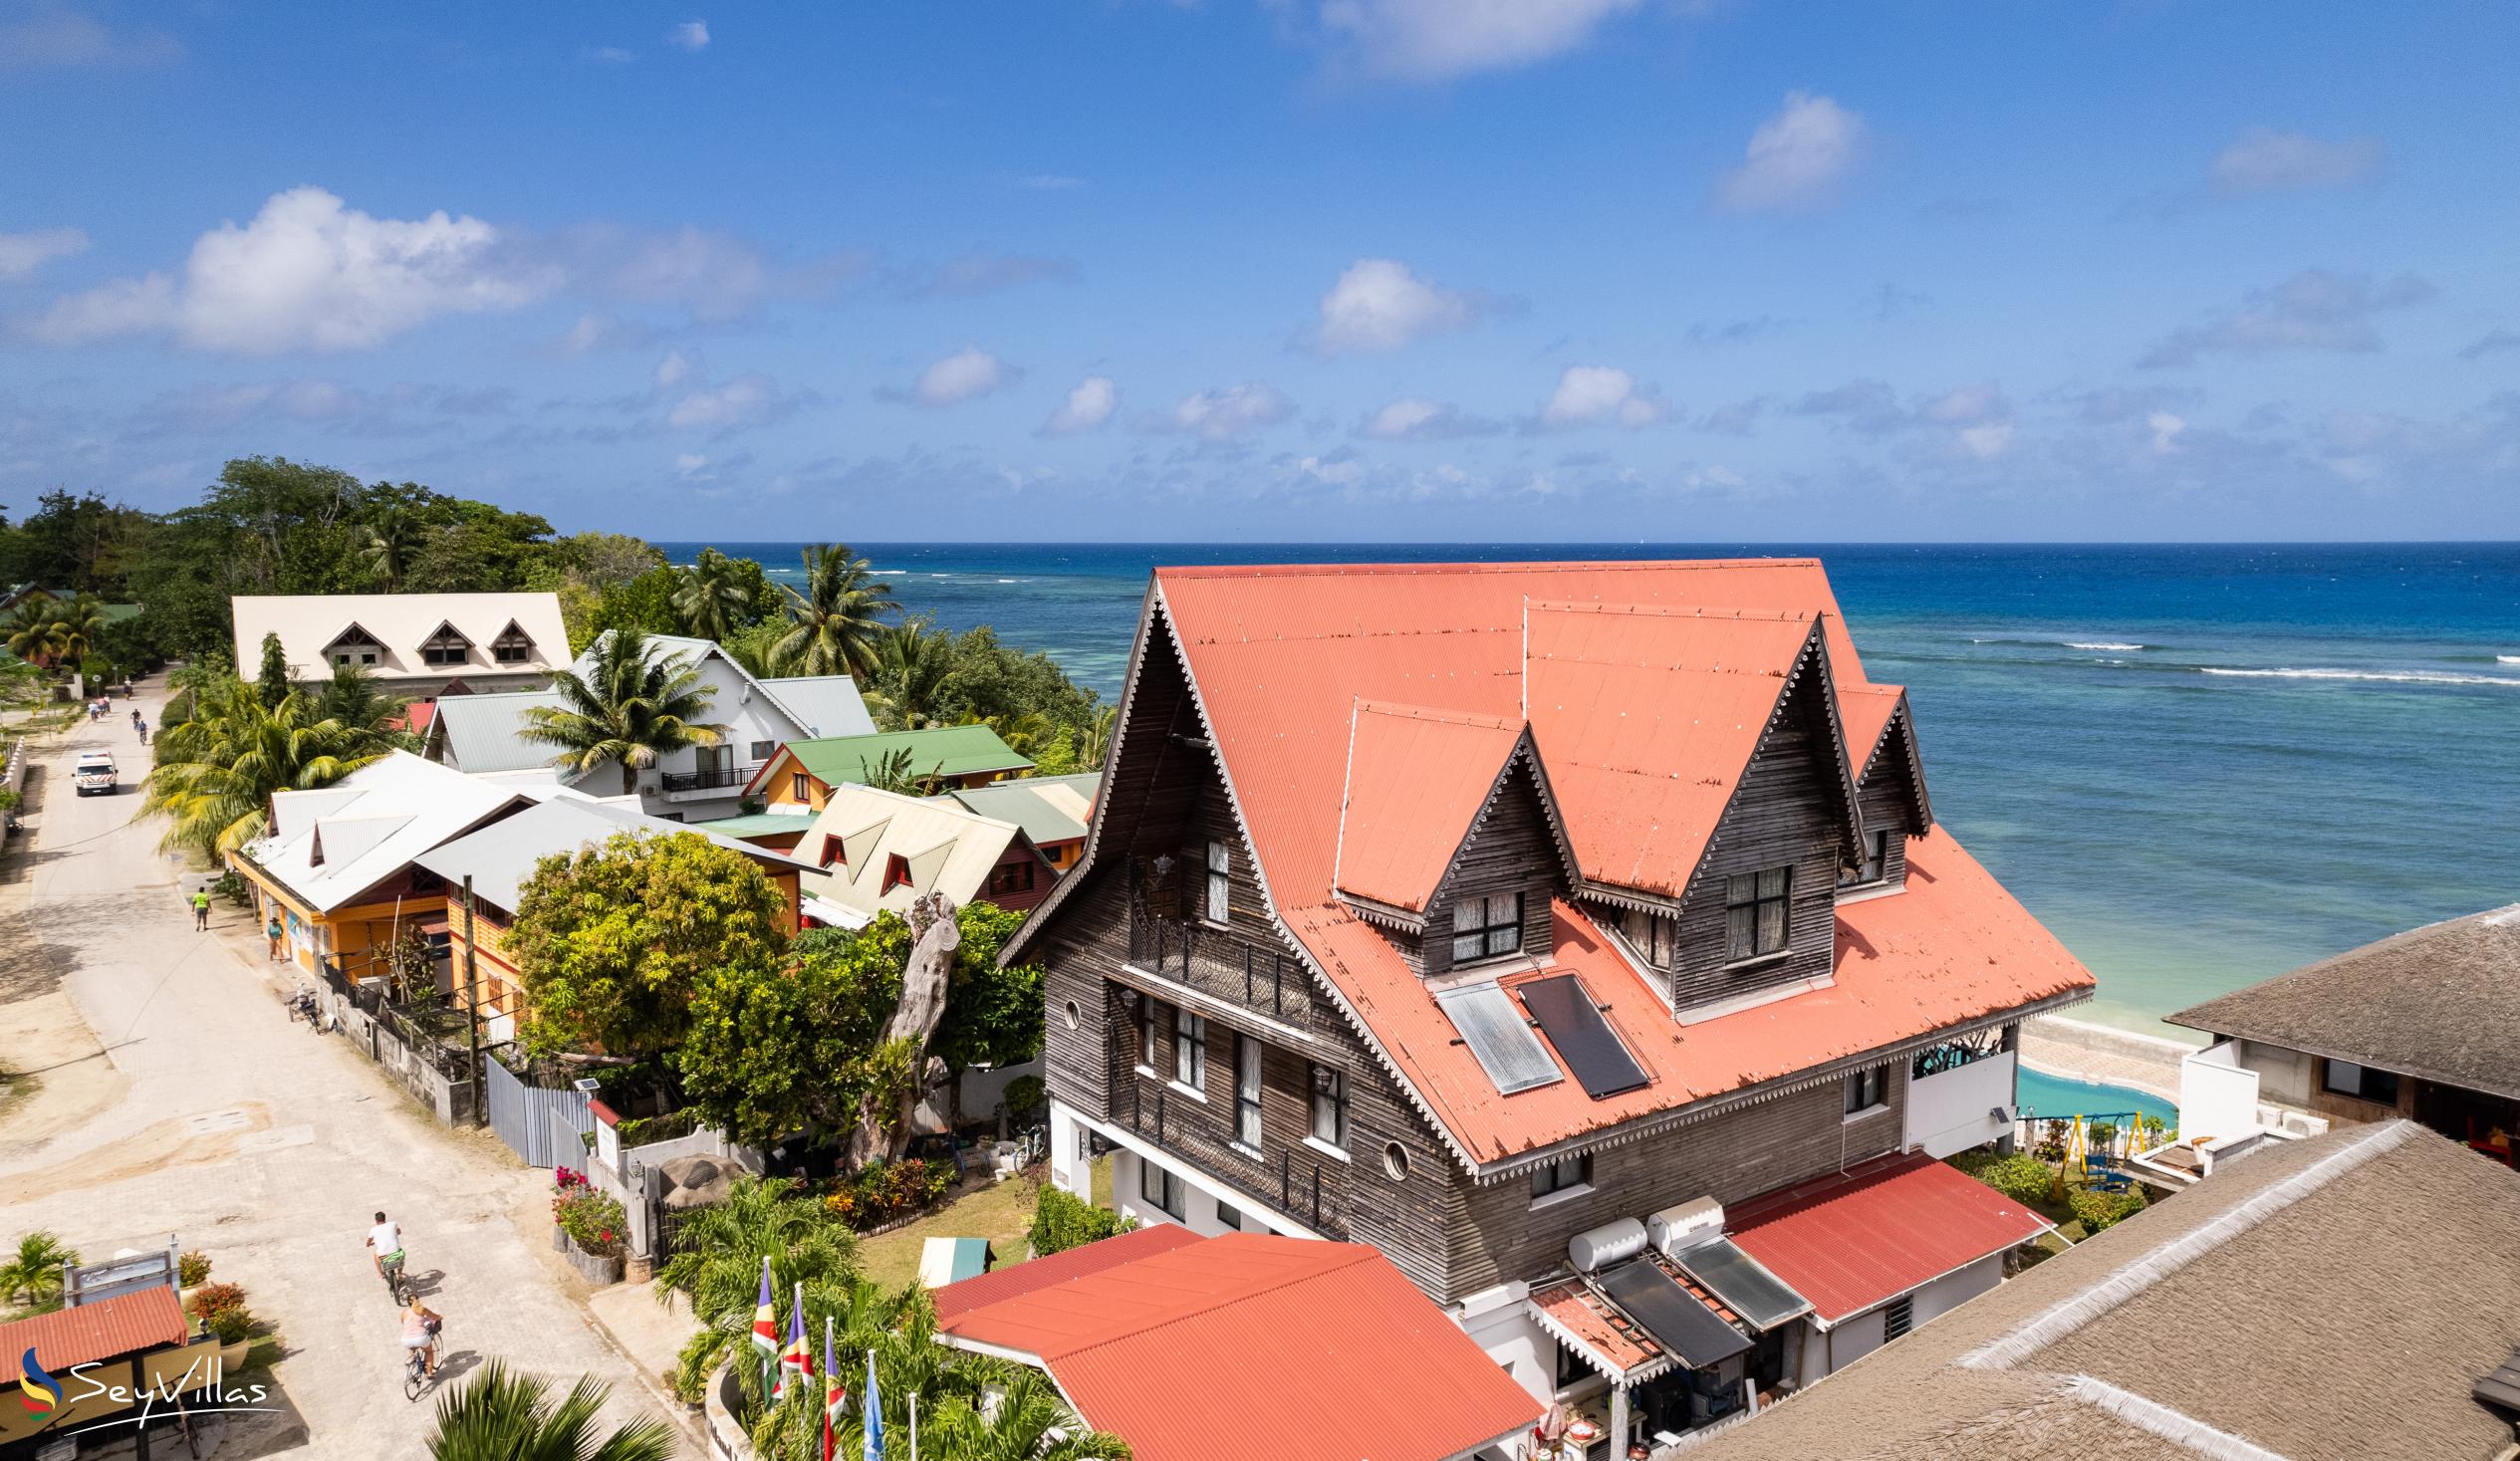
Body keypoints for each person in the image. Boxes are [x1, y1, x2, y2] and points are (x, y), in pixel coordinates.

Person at [397, 1296, 442, 1378]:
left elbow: (403, 1322)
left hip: (406, 1340)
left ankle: (413, 1359)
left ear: (408, 1303)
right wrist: (439, 1317)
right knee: (429, 1352)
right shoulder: (422, 1310)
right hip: (421, 1338)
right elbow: (434, 1317)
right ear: (418, 1301)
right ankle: (429, 1373)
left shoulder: (404, 1313)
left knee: (412, 1347)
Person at [366, 1211, 402, 1279]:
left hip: (383, 1254)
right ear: (384, 1218)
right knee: (401, 1254)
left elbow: (367, 1243)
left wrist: (369, 1244)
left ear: (376, 1221)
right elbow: (399, 1232)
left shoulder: (373, 1230)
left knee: (375, 1255)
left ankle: (381, 1274)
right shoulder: (393, 1224)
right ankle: (400, 1275)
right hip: (396, 1251)